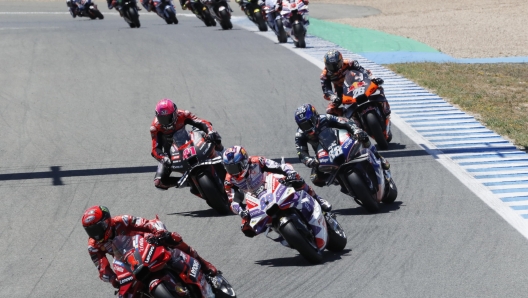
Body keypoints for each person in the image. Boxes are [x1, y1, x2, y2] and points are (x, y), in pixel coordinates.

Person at [81, 205, 217, 289]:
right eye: (91, 231)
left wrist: (160, 233)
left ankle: (203, 264)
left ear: (107, 221)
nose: (96, 234)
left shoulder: (122, 220)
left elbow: (147, 223)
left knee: (173, 238)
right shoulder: (93, 246)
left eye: (98, 228)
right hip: (128, 263)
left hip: (146, 244)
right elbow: (102, 269)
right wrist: (112, 279)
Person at [222, 146, 332, 237]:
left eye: (235, 167)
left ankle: (318, 199)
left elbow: (278, 167)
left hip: (271, 182)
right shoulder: (229, 180)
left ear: (244, 162)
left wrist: (289, 173)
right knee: (247, 229)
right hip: (255, 197)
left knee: (296, 179)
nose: (233, 172)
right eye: (229, 168)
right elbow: (233, 202)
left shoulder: (257, 161)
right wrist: (241, 211)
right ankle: (278, 229)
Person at [294, 103, 389, 187]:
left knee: (363, 137)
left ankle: (379, 157)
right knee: (315, 178)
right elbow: (301, 151)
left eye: (309, 122)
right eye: (303, 125)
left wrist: (356, 131)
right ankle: (339, 180)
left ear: (315, 116)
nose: (308, 127)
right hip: (323, 154)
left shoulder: (326, 118)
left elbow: (345, 122)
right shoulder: (300, 134)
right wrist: (309, 160)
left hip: (342, 141)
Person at [150, 98, 223, 192]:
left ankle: (222, 152)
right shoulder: (155, 127)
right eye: (162, 118)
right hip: (170, 153)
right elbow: (155, 149)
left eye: (168, 118)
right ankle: (191, 183)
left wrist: (210, 131)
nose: (165, 122)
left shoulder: (183, 114)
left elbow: (202, 122)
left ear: (174, 113)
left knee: (213, 135)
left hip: (187, 140)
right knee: (159, 182)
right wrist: (163, 158)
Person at [320, 49, 388, 116]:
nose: (335, 68)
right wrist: (333, 97)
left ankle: (385, 107)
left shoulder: (349, 63)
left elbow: (363, 71)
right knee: (329, 110)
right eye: (331, 66)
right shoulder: (325, 75)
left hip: (358, 82)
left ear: (341, 60)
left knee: (378, 86)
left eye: (337, 64)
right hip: (342, 91)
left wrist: (373, 79)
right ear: (326, 65)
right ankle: (349, 119)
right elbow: (326, 90)